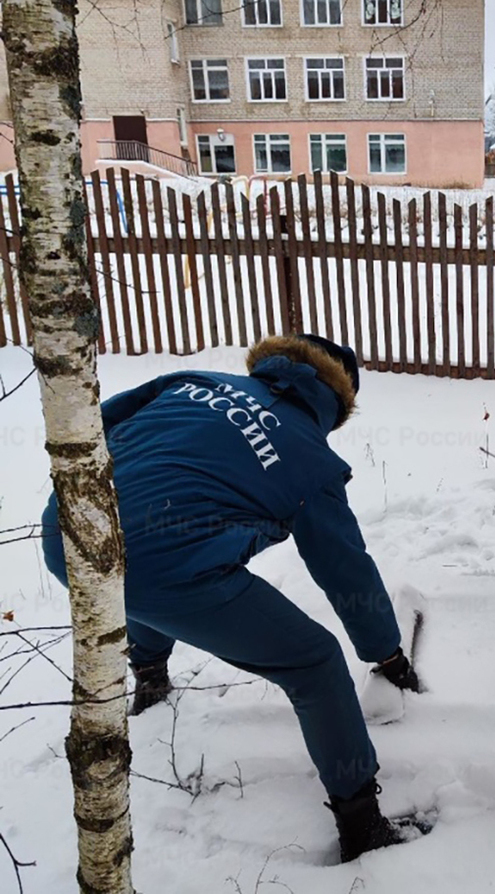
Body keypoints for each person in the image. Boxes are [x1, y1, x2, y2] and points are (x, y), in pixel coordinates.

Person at [41, 333, 419, 862]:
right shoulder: (311, 461)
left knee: (141, 570)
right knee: (315, 661)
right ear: (337, 405)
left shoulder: (197, 381)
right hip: (158, 563)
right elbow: (346, 571)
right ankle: (361, 822)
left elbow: (91, 426)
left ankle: (149, 676)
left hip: (68, 532)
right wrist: (387, 651)